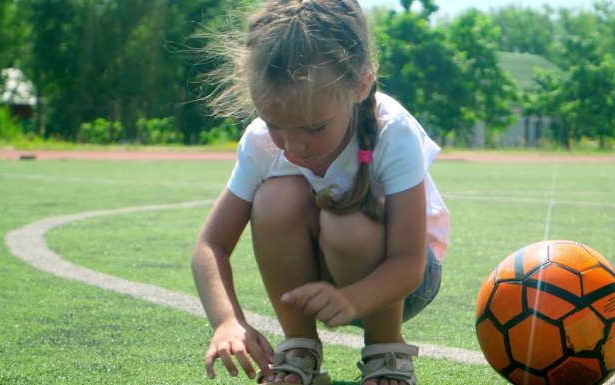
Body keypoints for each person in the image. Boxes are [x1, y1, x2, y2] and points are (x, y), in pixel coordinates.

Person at [191, 0, 450, 384]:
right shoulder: (262, 144)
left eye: (313, 128)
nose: (294, 146)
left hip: (403, 282)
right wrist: (229, 321)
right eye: (274, 123)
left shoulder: (393, 132)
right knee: (274, 199)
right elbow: (210, 247)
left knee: (346, 222)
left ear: (360, 85)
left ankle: (387, 353)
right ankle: (300, 349)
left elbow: (409, 262)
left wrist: (354, 300)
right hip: (325, 280)